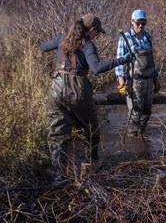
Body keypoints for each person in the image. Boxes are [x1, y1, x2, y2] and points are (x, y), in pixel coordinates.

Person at [41, 14, 134, 182]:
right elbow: (97, 68)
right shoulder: (88, 45)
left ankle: (59, 174)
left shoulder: (63, 38)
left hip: (55, 88)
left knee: (58, 133)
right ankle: (91, 166)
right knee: (91, 130)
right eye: (97, 33)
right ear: (92, 30)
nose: (97, 37)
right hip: (77, 89)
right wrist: (121, 60)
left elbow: (43, 47)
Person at [115, 9, 160, 137]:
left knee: (147, 111)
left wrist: (155, 78)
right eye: (138, 23)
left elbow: (152, 60)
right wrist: (122, 84)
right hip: (134, 82)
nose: (141, 26)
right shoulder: (125, 38)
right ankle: (132, 140)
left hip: (149, 80)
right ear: (132, 22)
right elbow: (119, 64)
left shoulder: (147, 37)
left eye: (143, 23)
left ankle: (142, 136)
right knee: (135, 113)